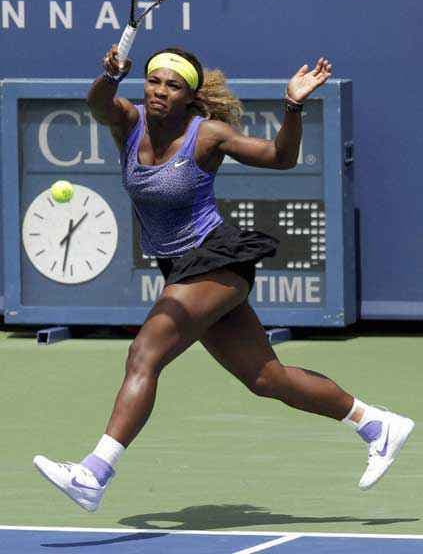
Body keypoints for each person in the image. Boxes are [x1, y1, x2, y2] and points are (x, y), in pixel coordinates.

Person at [33, 45, 414, 512]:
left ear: (190, 96)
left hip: (216, 260)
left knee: (144, 354)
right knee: (266, 377)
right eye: (154, 81)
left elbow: (279, 157)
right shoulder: (129, 123)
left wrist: (292, 106)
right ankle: (375, 423)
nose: (160, 91)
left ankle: (94, 473)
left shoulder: (207, 135)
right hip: (180, 268)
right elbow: (97, 104)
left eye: (173, 86)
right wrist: (110, 76)